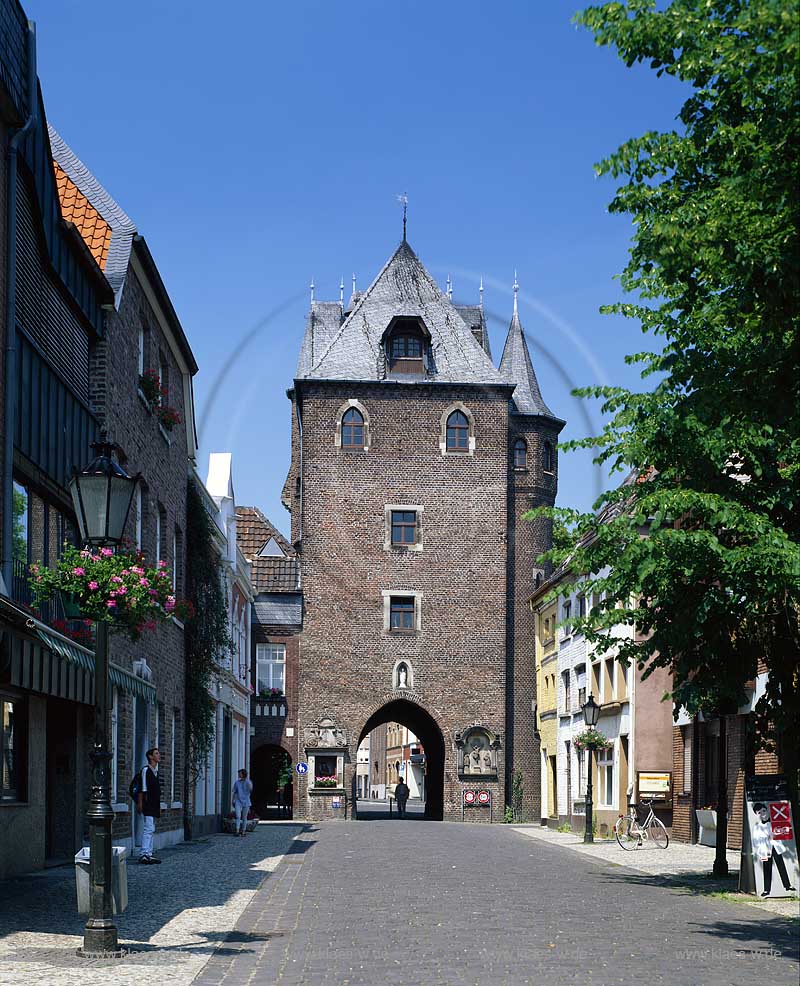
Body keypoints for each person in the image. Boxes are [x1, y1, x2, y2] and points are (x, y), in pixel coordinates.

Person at [751, 802, 796, 897]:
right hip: (764, 850)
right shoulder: (757, 827)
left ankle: (787, 885)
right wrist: (762, 845)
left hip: (775, 847)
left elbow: (783, 832)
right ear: (756, 814)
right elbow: (755, 841)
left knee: (781, 865)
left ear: (767, 810)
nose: (762, 813)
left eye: (764, 810)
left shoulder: (774, 823)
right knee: (767, 868)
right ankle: (766, 890)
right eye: (759, 812)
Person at [136, 747, 162, 864]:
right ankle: (144, 853)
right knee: (148, 828)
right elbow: (143, 788)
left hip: (154, 804)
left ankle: (149, 853)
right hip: (148, 803)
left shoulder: (155, 771)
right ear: (151, 757)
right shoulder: (146, 770)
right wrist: (140, 803)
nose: (159, 755)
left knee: (152, 828)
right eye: (156, 753)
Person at [232, 769, 254, 837]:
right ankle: (237, 830)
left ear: (243, 774)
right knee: (238, 816)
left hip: (246, 801)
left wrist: (248, 782)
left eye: (240, 773)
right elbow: (235, 792)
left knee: (244, 817)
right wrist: (233, 800)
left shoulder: (248, 782)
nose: (239, 775)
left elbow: (250, 789)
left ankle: (243, 831)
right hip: (238, 801)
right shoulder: (237, 783)